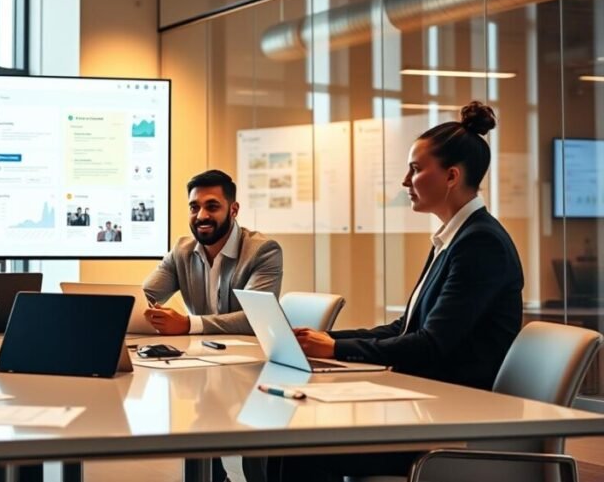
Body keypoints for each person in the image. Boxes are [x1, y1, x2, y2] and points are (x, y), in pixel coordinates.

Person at [270, 101, 523, 482]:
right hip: (426, 404)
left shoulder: (479, 243)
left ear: (452, 176)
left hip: (451, 419)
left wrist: (337, 350)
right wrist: (326, 340)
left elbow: (431, 345)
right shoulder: (454, 238)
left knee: (303, 449)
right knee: (291, 440)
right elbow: (405, 329)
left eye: (416, 169)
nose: (406, 181)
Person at [143, 169, 283, 335]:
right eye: (194, 207)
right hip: (198, 353)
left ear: (233, 210)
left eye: (212, 207)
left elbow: (257, 318)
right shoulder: (181, 250)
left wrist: (188, 324)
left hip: (247, 354)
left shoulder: (262, 251)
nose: (201, 216)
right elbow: (143, 299)